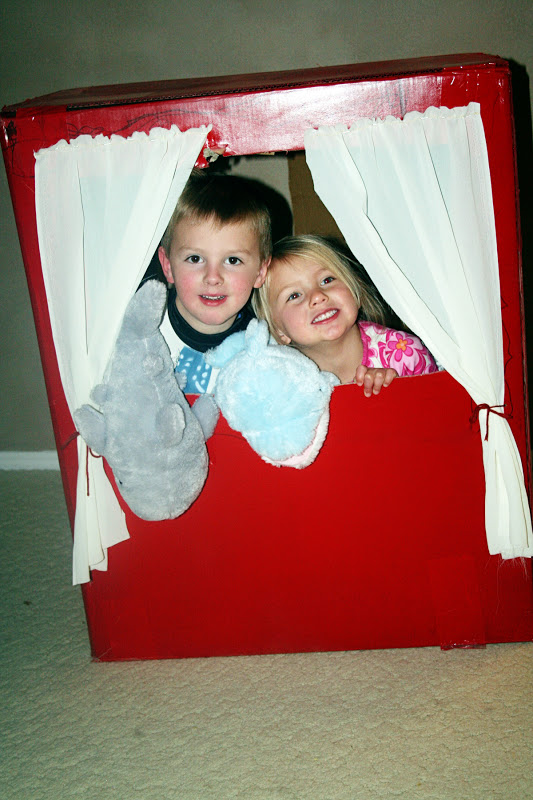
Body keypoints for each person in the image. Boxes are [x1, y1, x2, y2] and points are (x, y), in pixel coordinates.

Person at [252, 235, 437, 395]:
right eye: (294, 295)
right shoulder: (281, 379)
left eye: (327, 280)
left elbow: (446, 415)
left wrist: (399, 389)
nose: (317, 296)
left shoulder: (404, 352)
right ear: (279, 331)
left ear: (353, 287)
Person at [158, 169, 272, 393]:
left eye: (232, 260)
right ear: (168, 266)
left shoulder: (267, 345)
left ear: (260, 272)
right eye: (195, 258)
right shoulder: (141, 331)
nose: (212, 277)